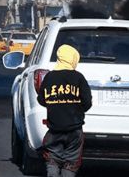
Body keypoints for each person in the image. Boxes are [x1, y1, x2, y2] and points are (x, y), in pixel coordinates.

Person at [38, 45, 93, 177]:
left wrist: (55, 107)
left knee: (52, 158)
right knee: (71, 162)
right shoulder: (79, 78)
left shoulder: (49, 77)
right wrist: (76, 109)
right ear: (74, 59)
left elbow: (41, 100)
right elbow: (87, 102)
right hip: (74, 130)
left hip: (54, 129)